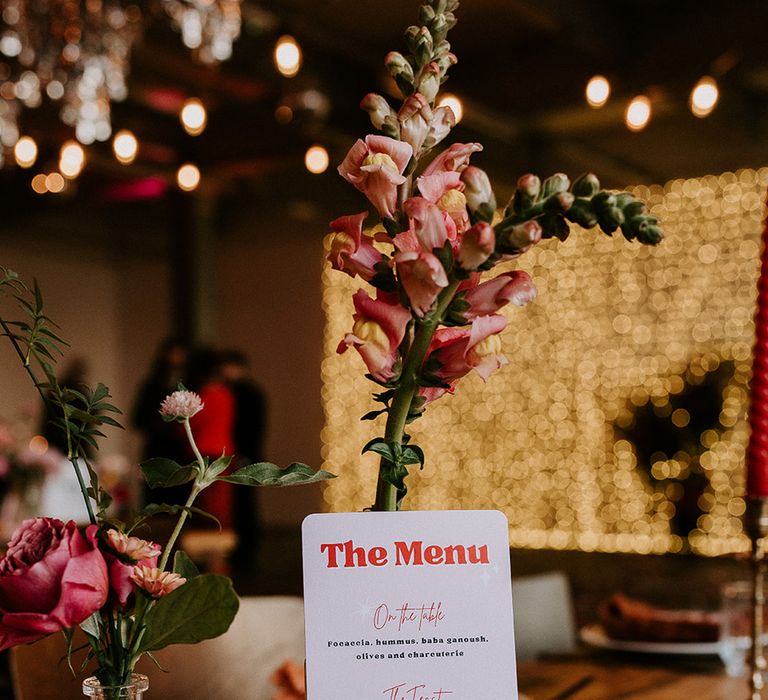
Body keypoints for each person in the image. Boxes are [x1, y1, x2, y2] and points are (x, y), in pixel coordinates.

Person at [219, 349, 267, 565]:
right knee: (238, 506)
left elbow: (253, 429)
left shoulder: (248, 393)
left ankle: (246, 553)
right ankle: (240, 551)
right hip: (238, 453)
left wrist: (245, 455)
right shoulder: (234, 391)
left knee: (245, 505)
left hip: (245, 454)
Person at [131, 339, 189, 506]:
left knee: (179, 497)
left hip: (180, 450)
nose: (176, 359)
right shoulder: (151, 385)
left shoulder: (191, 384)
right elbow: (137, 418)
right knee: (155, 495)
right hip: (156, 448)